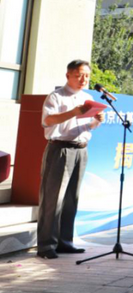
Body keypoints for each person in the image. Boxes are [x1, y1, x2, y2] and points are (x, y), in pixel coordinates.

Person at [37, 60, 105, 258]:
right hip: (60, 150)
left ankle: (65, 242)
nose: (83, 79)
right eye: (79, 75)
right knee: (53, 199)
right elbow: (47, 121)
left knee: (71, 199)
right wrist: (74, 112)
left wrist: (96, 121)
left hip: (81, 150)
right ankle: (46, 246)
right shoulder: (56, 96)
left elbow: (86, 126)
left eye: (86, 76)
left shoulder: (87, 97)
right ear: (68, 75)